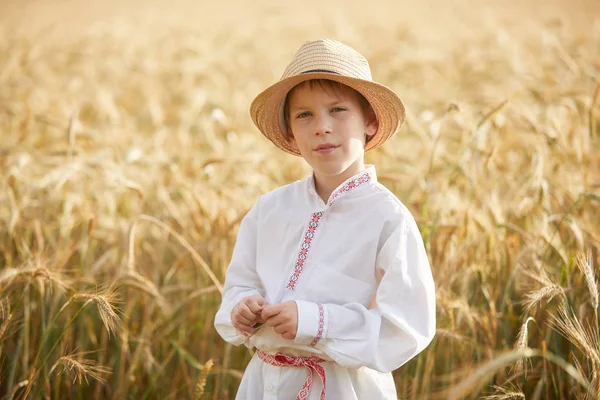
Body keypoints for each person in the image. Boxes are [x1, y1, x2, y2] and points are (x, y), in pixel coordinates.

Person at [214, 38, 436, 400]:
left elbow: (407, 328)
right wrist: (242, 308)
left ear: (370, 121)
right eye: (304, 115)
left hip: (343, 387)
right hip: (264, 385)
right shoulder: (269, 209)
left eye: (337, 110)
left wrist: (316, 322)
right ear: (289, 131)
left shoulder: (388, 219)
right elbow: (239, 284)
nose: (322, 127)